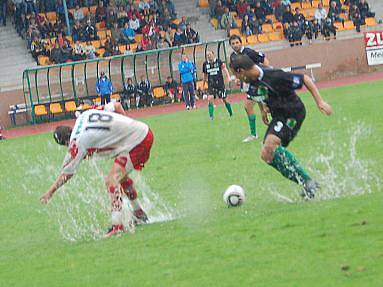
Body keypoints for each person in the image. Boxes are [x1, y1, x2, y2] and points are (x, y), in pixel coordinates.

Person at [40, 102, 153, 238]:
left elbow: (67, 173)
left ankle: (117, 225)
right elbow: (116, 106)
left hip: (138, 142)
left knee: (111, 180)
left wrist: (50, 192)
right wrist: (127, 126)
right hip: (140, 131)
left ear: (65, 142)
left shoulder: (77, 142)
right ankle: (139, 213)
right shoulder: (84, 116)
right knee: (120, 177)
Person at [230, 54, 333, 198]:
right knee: (266, 155)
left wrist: (320, 102)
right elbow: (261, 94)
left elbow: (305, 79)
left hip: (293, 114)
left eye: (235, 74)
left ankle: (308, 182)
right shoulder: (252, 80)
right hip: (279, 115)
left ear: (241, 70)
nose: (235, 78)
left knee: (272, 145)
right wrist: (264, 109)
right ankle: (305, 183)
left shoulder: (274, 76)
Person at [229, 35, 270, 142]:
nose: (235, 45)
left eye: (237, 42)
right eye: (233, 43)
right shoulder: (233, 56)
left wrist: (265, 74)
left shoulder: (249, 52)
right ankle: (254, 134)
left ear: (241, 43)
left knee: (267, 110)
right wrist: (238, 79)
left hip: (260, 84)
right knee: (248, 106)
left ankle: (280, 128)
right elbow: (236, 70)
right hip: (251, 85)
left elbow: (264, 59)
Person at [202, 50, 233, 120]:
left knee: (225, 100)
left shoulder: (219, 61)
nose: (209, 56)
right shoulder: (205, 64)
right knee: (210, 98)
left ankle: (231, 113)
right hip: (211, 84)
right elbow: (204, 74)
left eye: (210, 55)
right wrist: (203, 84)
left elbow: (224, 69)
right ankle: (211, 116)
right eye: (207, 55)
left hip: (220, 84)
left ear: (213, 54)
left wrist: (228, 76)